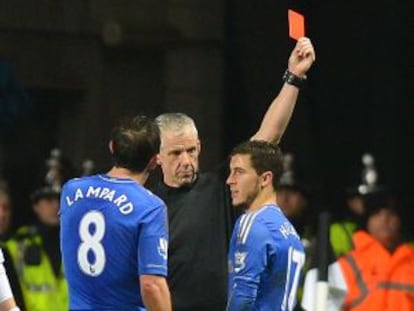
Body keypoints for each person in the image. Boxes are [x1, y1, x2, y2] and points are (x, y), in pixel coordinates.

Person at [151, 37, 315, 310]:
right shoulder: (147, 203)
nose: (187, 160)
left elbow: (268, 138)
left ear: (200, 146)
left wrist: (294, 77)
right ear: (157, 156)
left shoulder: (218, 187)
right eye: (176, 153)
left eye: (191, 151)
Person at [60, 116, 171, 311]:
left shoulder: (71, 190)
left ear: (112, 147)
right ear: (155, 161)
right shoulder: (150, 207)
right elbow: (152, 285)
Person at [226, 140, 305, 310]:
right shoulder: (289, 231)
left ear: (265, 179)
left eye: (239, 172)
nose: (229, 180)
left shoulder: (253, 222)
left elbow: (243, 294)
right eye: (231, 172)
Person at [338, 194, 414, 311]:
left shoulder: (411, 261)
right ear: (367, 221)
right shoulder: (347, 264)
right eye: (377, 213)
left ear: (400, 220)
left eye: (391, 214)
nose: (385, 219)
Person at [5, 184, 68, 311]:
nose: (56, 205)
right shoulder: (15, 246)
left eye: (59, 200)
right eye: (49, 201)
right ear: (35, 206)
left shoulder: (79, 243)